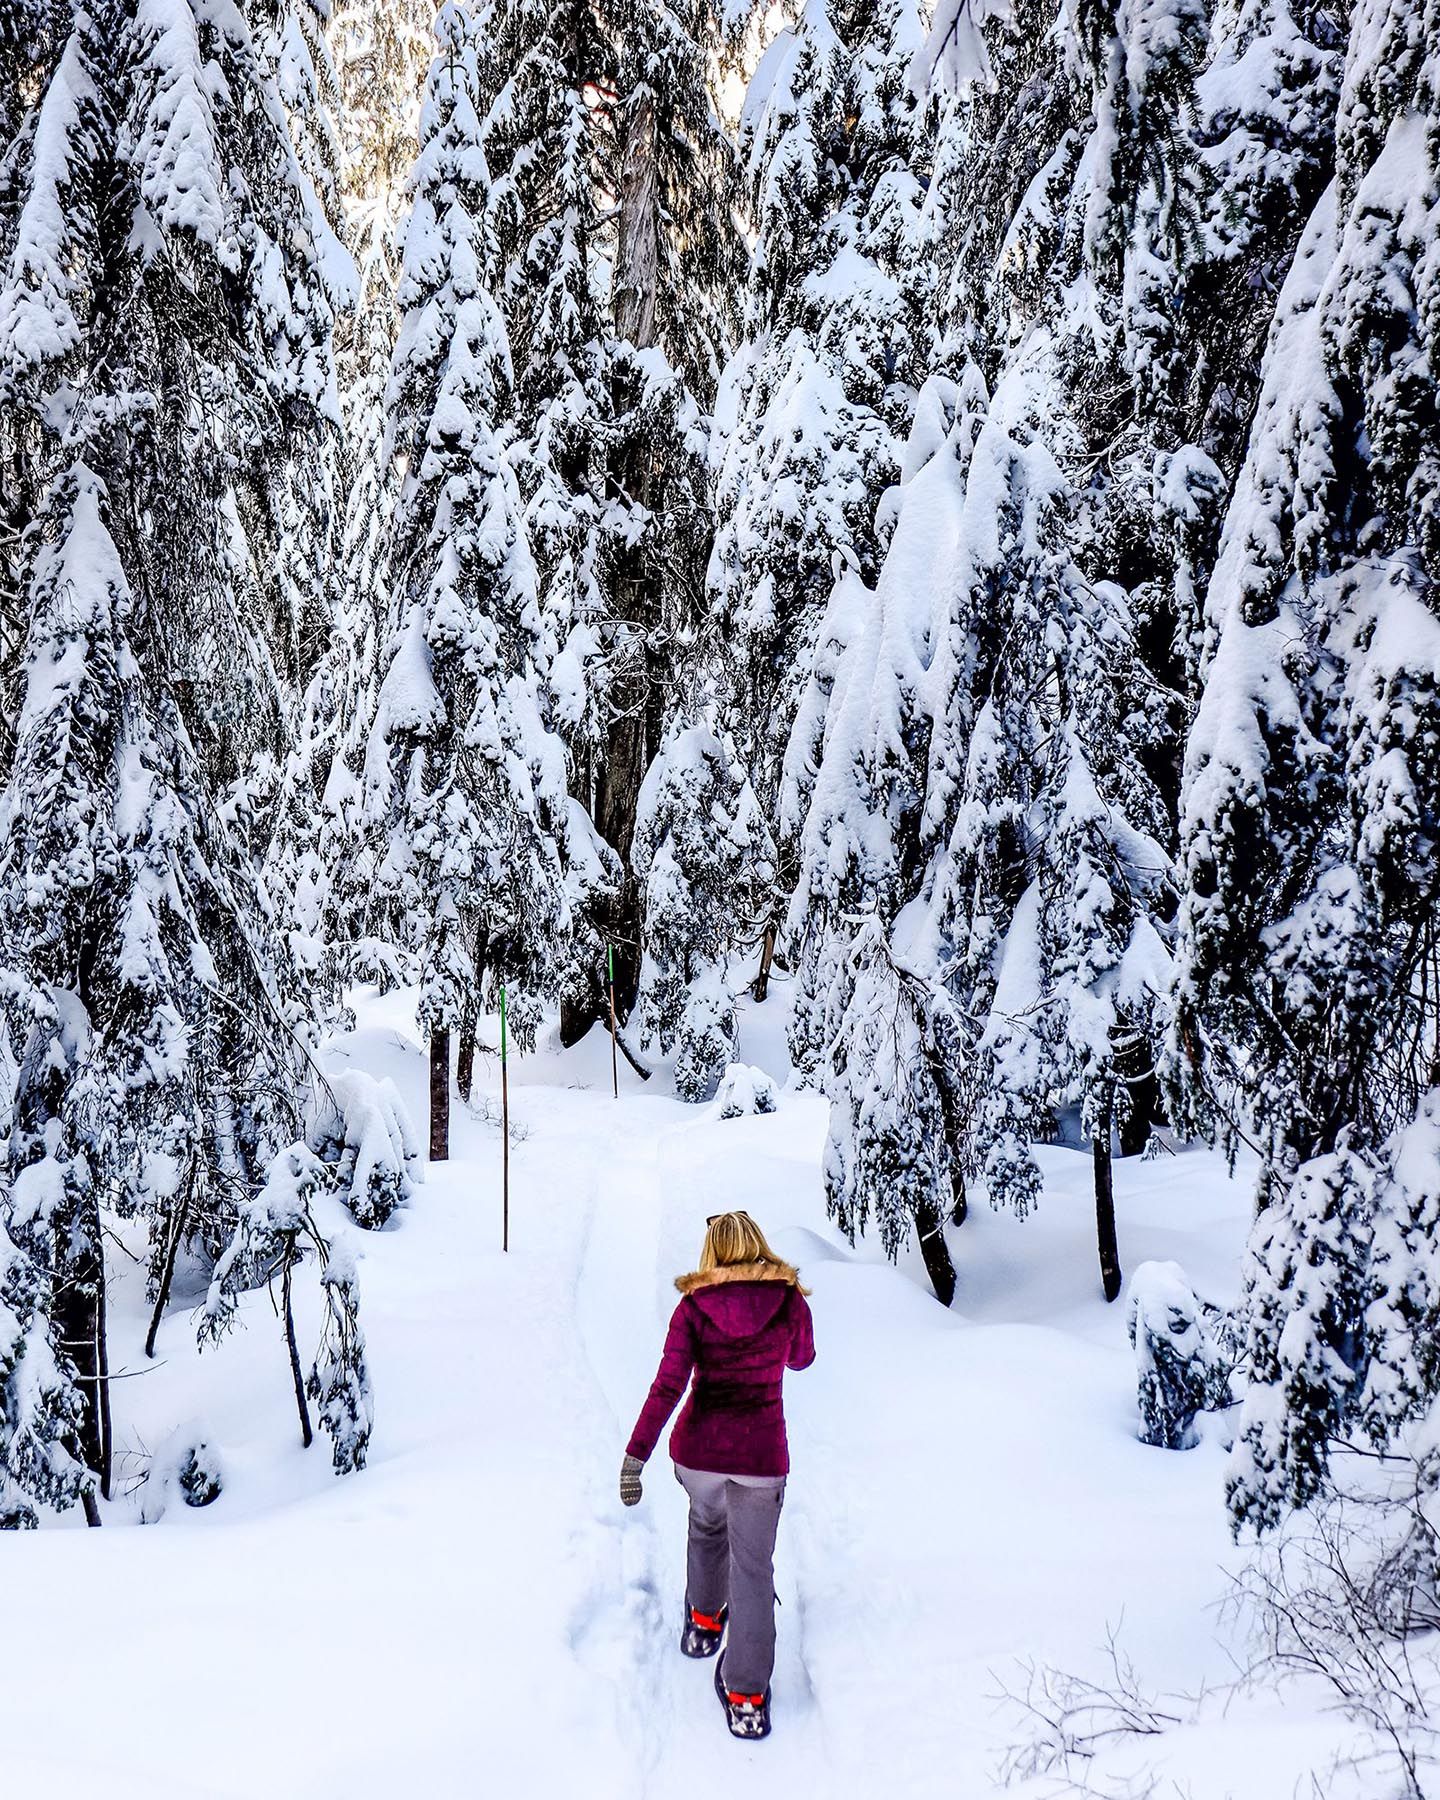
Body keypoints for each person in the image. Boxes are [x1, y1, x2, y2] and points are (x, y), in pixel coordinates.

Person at [620, 1210, 815, 1741]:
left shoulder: (693, 1307)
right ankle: (747, 1697)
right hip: (760, 1458)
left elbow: (667, 1387)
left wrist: (635, 1456)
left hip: (700, 1453)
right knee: (752, 1570)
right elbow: (803, 1360)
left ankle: (703, 1626)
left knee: (706, 1528)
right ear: (759, 1242)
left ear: (711, 1251)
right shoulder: (788, 1299)